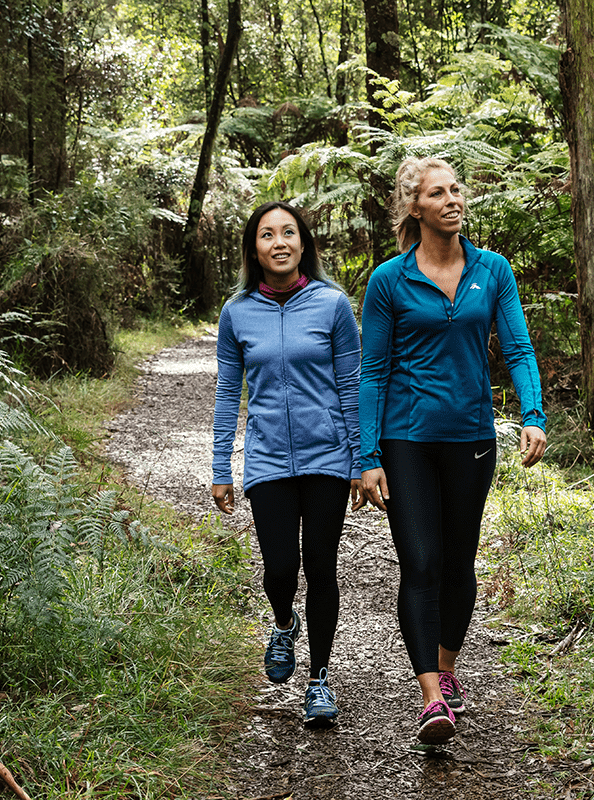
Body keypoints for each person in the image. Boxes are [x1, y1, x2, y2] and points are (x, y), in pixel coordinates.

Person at [354, 157, 549, 745]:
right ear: (416, 208)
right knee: (420, 562)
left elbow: (517, 348)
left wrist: (533, 416)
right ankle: (431, 698)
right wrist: (366, 456)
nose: (452, 200)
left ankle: (450, 666)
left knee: (459, 563)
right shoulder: (389, 279)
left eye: (456, 190)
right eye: (437, 193)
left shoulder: (493, 271)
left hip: (470, 436)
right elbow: (372, 372)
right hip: (406, 438)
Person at [211, 200, 361, 729]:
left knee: (321, 566)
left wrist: (362, 460)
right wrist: (220, 467)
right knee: (280, 568)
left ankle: (319, 679)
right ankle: (283, 622)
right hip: (268, 460)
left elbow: (350, 387)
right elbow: (230, 391)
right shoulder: (238, 312)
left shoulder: (332, 305)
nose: (279, 242)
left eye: (289, 233)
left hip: (327, 459)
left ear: (304, 243)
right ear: (254, 247)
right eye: (267, 234)